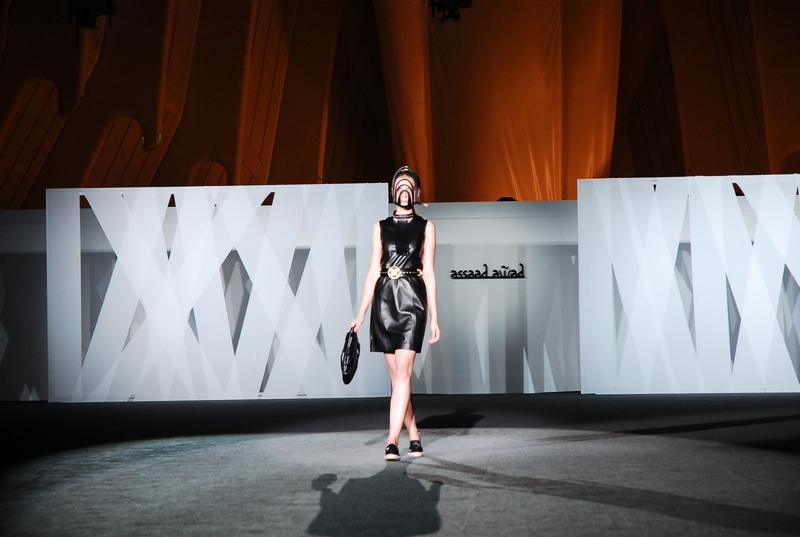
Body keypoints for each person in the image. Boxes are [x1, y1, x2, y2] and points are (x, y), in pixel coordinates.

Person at [350, 166, 441, 461]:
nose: (404, 188)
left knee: (402, 374)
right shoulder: (380, 227)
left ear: (417, 192)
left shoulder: (427, 227)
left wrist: (435, 317)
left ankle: (392, 441)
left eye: (409, 184)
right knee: (398, 377)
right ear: (393, 191)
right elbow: (372, 272)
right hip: (384, 300)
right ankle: (414, 434)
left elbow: (429, 273)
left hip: (412, 300)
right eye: (399, 184)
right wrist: (361, 313)